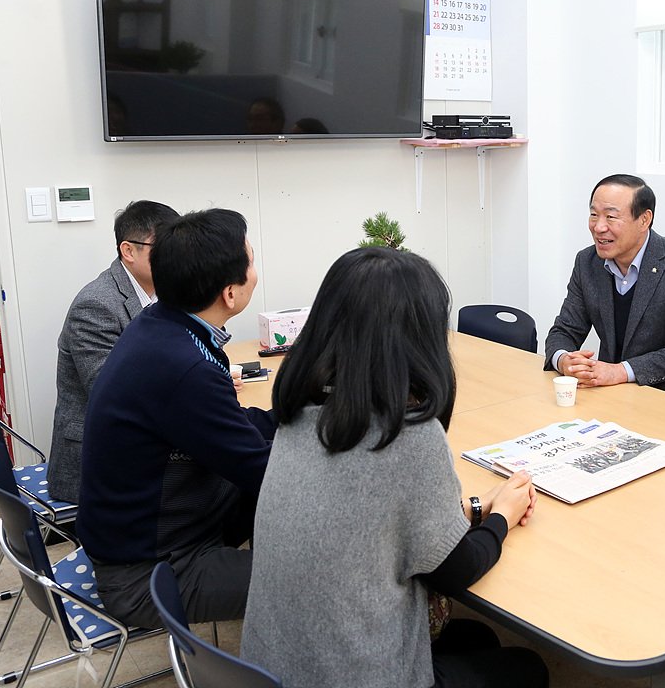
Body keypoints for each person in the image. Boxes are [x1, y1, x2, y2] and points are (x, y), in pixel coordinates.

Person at [242, 247, 549, 688]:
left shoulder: (298, 413)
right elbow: (456, 569)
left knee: (477, 635)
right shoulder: (405, 435)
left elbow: (375, 521)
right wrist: (502, 517)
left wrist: (478, 509)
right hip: (354, 676)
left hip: (274, 667)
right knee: (528, 666)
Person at [76, 208, 275, 628]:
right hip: (152, 572)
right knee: (334, 575)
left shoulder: (163, 325)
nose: (255, 272)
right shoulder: (183, 367)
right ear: (230, 294)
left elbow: (229, 429)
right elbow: (264, 471)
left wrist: (292, 415)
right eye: (251, 263)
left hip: (167, 527)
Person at [47, 199, 180, 504]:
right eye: (164, 248)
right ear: (128, 250)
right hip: (99, 456)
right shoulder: (97, 304)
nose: (174, 258)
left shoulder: (162, 292)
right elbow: (110, 392)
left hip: (142, 436)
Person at [544, 173, 665, 400]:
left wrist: (619, 371)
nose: (598, 227)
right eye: (593, 215)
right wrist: (564, 360)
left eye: (610, 217)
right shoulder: (587, 263)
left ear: (644, 220)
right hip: (615, 396)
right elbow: (564, 330)